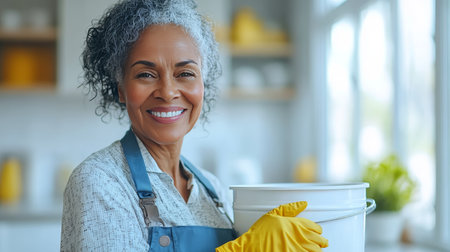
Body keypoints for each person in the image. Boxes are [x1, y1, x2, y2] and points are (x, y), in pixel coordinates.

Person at [60, 0, 329, 251]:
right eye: (145, 74)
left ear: (203, 85)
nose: (167, 92)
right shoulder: (100, 181)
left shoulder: (213, 190)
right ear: (121, 89)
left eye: (185, 74)